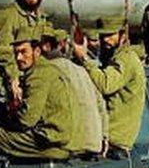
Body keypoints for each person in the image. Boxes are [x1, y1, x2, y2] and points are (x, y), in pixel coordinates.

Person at [0, 27, 74, 160]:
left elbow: (26, 119)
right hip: (54, 139)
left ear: (37, 51)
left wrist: (7, 121)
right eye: (16, 53)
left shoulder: (38, 74)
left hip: (47, 142)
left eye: (23, 52)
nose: (18, 58)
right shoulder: (46, 69)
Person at [72, 15, 146, 157]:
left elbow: (105, 84)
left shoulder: (126, 58)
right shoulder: (115, 57)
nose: (105, 39)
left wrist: (84, 58)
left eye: (110, 35)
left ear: (122, 35)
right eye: (103, 35)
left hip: (113, 144)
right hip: (105, 140)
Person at [43, 26, 108, 156]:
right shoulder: (81, 71)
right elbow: (101, 105)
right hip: (93, 148)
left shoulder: (46, 70)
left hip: (68, 147)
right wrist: (104, 137)